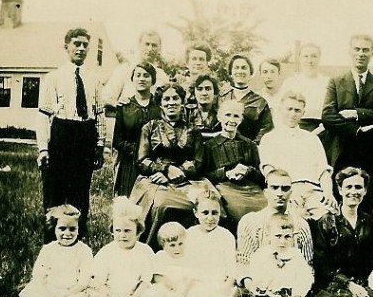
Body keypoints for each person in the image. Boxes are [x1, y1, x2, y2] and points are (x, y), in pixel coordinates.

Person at [36, 27, 106, 240]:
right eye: (77, 44)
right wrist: (43, 149)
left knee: (80, 191)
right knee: (55, 190)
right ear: (66, 47)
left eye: (85, 45)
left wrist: (100, 145)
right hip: (61, 133)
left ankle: (78, 238)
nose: (81, 48)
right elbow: (43, 115)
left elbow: (99, 114)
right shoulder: (54, 78)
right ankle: (51, 239)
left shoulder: (94, 80)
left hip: (84, 135)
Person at [129, 83, 215, 251]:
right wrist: (165, 169)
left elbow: (198, 162)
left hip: (188, 179)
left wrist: (179, 171)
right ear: (160, 104)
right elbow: (142, 160)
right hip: (154, 179)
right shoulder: (150, 127)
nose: (171, 102)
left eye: (175, 98)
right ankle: (151, 250)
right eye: (166, 99)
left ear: (182, 102)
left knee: (207, 201)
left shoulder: (192, 130)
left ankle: (200, 249)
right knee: (161, 204)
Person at [321, 34, 373, 229]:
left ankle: (369, 252)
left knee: (368, 204)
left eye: (365, 50)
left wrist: (356, 114)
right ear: (349, 51)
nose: (361, 54)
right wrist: (358, 131)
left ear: (372, 53)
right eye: (357, 49)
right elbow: (328, 116)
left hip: (369, 154)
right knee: (338, 201)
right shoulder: (336, 82)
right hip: (341, 152)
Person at [310, 167, 373, 297]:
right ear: (340, 190)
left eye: (358, 187)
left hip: (365, 284)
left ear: (365, 191)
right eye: (348, 187)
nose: (353, 192)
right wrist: (348, 284)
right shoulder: (327, 222)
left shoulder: (368, 221)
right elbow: (322, 265)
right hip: (334, 286)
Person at [258, 91, 337, 221]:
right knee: (296, 221)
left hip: (315, 192)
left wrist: (328, 194)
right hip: (287, 191)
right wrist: (285, 192)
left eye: (297, 110)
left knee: (327, 219)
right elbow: (269, 172)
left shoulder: (312, 139)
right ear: (280, 110)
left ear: (303, 113)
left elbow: (323, 171)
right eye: (289, 109)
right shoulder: (269, 139)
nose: (292, 114)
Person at [84, 197, 157, 297]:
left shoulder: (145, 251)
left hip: (134, 293)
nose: (122, 235)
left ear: (138, 231)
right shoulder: (107, 252)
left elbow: (146, 281)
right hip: (110, 292)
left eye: (127, 231)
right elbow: (99, 281)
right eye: (118, 231)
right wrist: (110, 295)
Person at [15, 205, 92, 297]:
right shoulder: (48, 250)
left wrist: (64, 295)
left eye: (72, 229)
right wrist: (45, 292)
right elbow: (39, 276)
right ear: (54, 228)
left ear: (78, 229)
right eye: (62, 228)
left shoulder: (84, 251)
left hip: (72, 291)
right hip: (49, 289)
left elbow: (83, 282)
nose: (67, 233)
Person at [203, 100, 267, 233]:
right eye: (227, 115)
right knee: (241, 213)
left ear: (241, 119)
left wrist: (247, 171)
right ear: (219, 117)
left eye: (236, 116)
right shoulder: (209, 146)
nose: (231, 120)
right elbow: (205, 175)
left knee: (266, 213)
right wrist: (226, 173)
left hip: (251, 189)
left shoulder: (249, 144)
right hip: (227, 189)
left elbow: (261, 176)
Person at [236, 169, 313, 272]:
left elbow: (307, 266)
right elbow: (243, 263)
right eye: (274, 188)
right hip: (257, 281)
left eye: (285, 189)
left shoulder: (301, 225)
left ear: (291, 193)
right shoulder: (250, 222)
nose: (280, 193)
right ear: (266, 192)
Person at [241, 214, 314, 297]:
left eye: (287, 237)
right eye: (278, 236)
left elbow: (305, 278)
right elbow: (256, 279)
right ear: (268, 236)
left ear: (293, 237)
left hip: (291, 295)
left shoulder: (296, 255)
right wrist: (269, 294)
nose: (282, 241)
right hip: (268, 294)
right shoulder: (261, 255)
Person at [184, 190, 236, 297]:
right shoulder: (189, 235)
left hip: (220, 285)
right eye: (205, 213)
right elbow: (186, 266)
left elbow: (232, 271)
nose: (210, 218)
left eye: (215, 213)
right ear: (196, 212)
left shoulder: (226, 236)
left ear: (221, 213)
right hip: (196, 285)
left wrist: (225, 289)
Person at [112, 62, 161, 196]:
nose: (142, 79)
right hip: (130, 164)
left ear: (153, 80)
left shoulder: (159, 106)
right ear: (133, 79)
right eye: (138, 75)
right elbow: (117, 140)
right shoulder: (124, 107)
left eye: (146, 75)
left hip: (155, 162)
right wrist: (138, 151)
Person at [102, 29, 169, 109]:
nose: (150, 49)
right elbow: (107, 97)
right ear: (139, 45)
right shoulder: (124, 69)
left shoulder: (162, 76)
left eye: (154, 45)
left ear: (159, 48)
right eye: (147, 44)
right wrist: (119, 105)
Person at [220, 54, 273, 144]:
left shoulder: (260, 102)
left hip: (249, 151)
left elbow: (265, 130)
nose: (240, 71)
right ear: (230, 73)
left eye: (244, 68)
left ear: (250, 73)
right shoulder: (222, 99)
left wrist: (251, 148)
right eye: (236, 67)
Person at [279, 43, 329, 132]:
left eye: (314, 56)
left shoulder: (328, 83)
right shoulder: (290, 82)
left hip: (323, 128)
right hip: (295, 127)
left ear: (319, 58)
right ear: (299, 58)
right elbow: (282, 109)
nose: (310, 60)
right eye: (305, 56)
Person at [183, 74, 222, 140]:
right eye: (199, 89)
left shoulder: (221, 115)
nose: (204, 93)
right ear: (194, 92)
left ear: (214, 92)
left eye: (208, 89)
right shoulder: (186, 113)